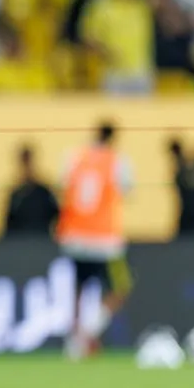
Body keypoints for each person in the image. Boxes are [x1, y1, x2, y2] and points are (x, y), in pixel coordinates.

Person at [55, 121, 134, 360]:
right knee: (120, 287)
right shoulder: (117, 160)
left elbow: (62, 186)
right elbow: (127, 190)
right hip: (104, 239)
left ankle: (74, 342)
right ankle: (89, 331)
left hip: (73, 235)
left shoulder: (74, 157)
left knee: (78, 290)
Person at [2, 145, 59, 237]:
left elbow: (57, 217)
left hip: (41, 240)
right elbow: (8, 226)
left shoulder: (43, 192)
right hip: (21, 242)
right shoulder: (16, 195)